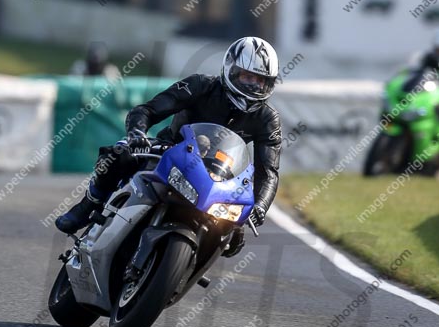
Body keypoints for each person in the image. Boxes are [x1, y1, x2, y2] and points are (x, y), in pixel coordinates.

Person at [55, 37, 282, 242]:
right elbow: (146, 111)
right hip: (171, 151)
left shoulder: (267, 118)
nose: (254, 85)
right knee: (119, 154)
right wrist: (137, 133)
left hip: (220, 180)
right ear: (231, 70)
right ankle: (88, 206)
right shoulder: (200, 85)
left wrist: (260, 206)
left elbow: (268, 171)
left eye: (261, 80)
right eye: (248, 77)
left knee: (233, 238)